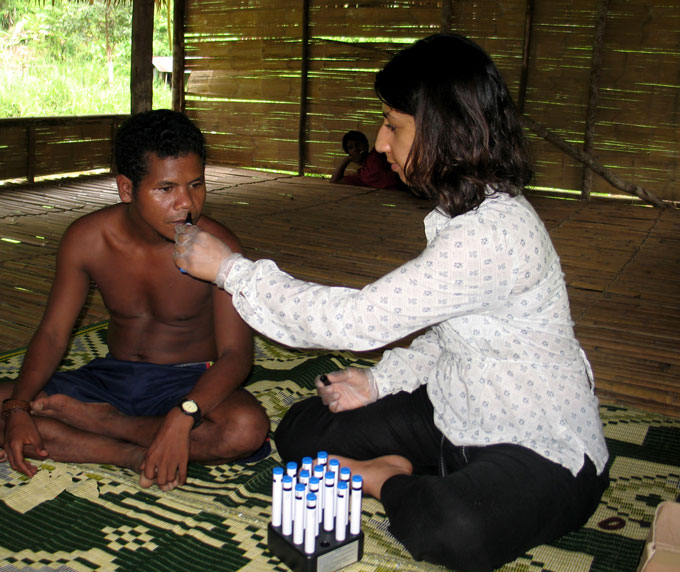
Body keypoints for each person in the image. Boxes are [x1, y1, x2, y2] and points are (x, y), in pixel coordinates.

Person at [172, 34, 609, 572]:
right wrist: (379, 382)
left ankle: (383, 477)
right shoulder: (461, 215)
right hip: (454, 407)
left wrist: (232, 272)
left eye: (393, 124)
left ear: (443, 128)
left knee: (457, 530)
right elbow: (449, 330)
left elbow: (358, 320)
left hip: (538, 444)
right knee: (302, 431)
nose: (380, 143)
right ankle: (408, 466)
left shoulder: (495, 233)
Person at [0, 109, 269, 492]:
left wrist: (184, 415)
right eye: (166, 189)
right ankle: (131, 454)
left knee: (245, 429)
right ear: (126, 189)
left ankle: (105, 425)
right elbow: (54, 334)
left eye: (196, 185)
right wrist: (18, 407)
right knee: (6, 405)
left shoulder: (217, 247)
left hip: (188, 379)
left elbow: (237, 355)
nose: (186, 204)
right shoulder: (88, 239)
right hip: (111, 378)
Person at [330, 130, 405, 190]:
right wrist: (347, 159)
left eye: (358, 145)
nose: (355, 149)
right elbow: (334, 181)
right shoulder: (361, 177)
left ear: (365, 145)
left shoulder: (377, 153)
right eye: (351, 148)